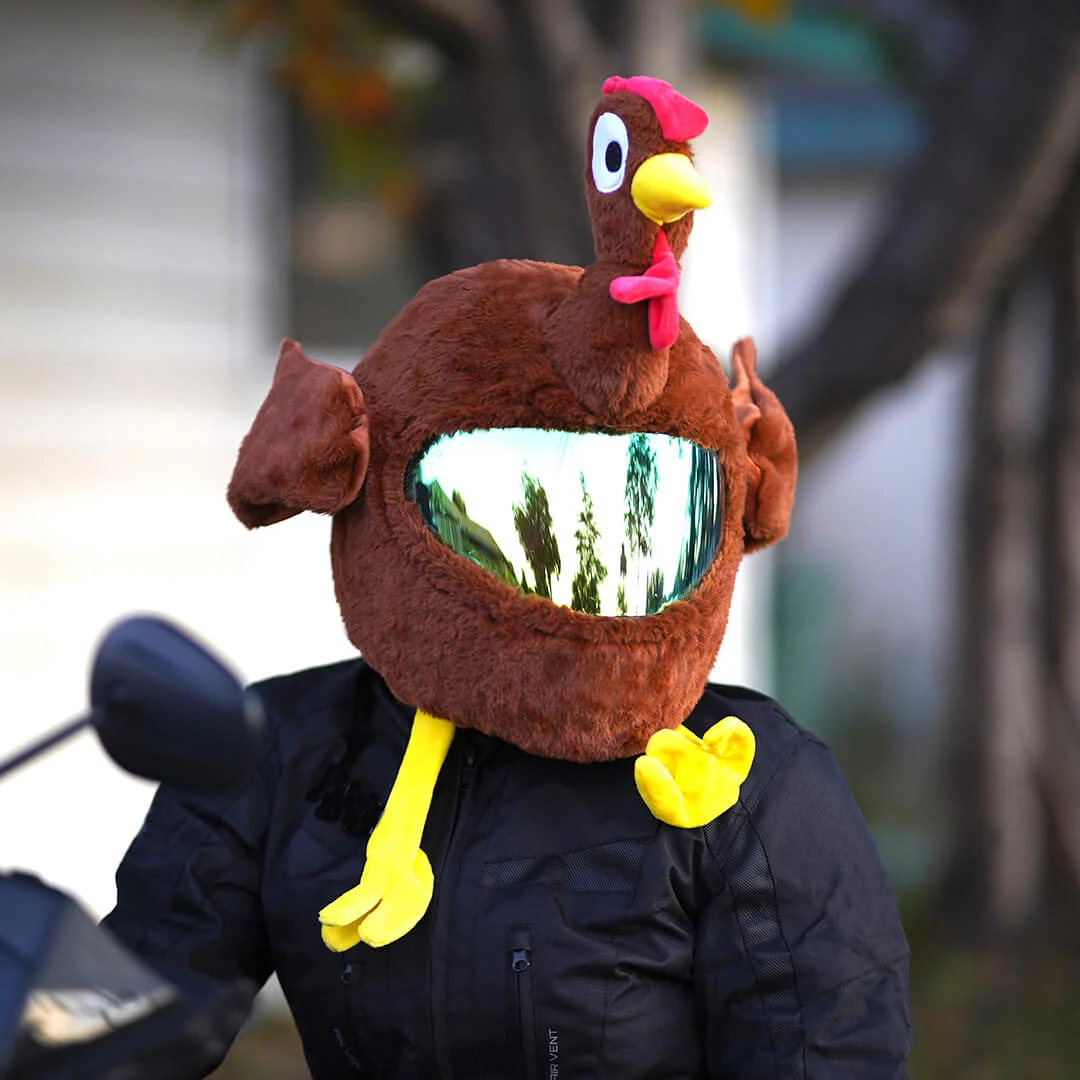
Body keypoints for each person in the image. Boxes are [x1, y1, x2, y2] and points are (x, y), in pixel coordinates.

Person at [106, 77, 911, 1077]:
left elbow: (826, 1057)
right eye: (509, 510)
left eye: (641, 513)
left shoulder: (747, 784)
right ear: (368, 483)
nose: (578, 570)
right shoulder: (287, 757)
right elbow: (118, 1021)